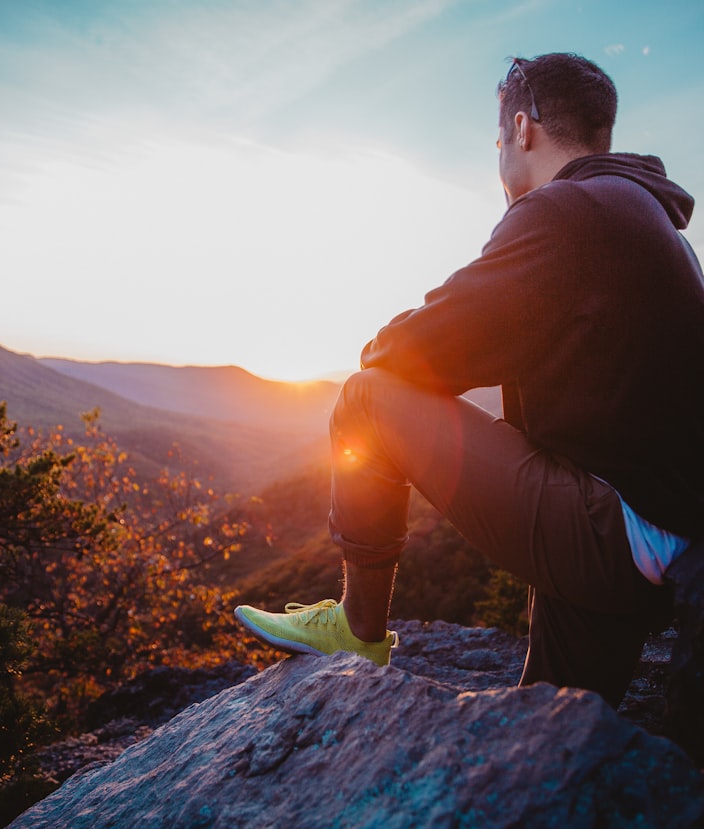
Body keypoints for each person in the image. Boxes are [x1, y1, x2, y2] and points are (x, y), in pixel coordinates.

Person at [234, 52, 704, 708]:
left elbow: (425, 347)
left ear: (522, 129)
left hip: (618, 536)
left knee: (366, 400)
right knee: (548, 728)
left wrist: (378, 344)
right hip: (659, 540)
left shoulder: (566, 211)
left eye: (496, 141)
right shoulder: (642, 216)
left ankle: (358, 628)